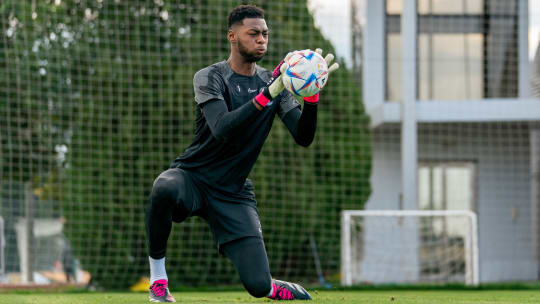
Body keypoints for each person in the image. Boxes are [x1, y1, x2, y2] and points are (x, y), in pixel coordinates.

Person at [145, 4, 339, 302]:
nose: (262, 39)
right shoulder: (210, 77)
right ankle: (158, 279)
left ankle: (273, 285)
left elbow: (303, 137)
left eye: (265, 34)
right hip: (193, 178)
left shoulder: (275, 85)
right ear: (232, 37)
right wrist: (269, 93)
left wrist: (311, 97)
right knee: (164, 186)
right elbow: (222, 127)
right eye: (253, 34)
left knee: (258, 287)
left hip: (233, 192)